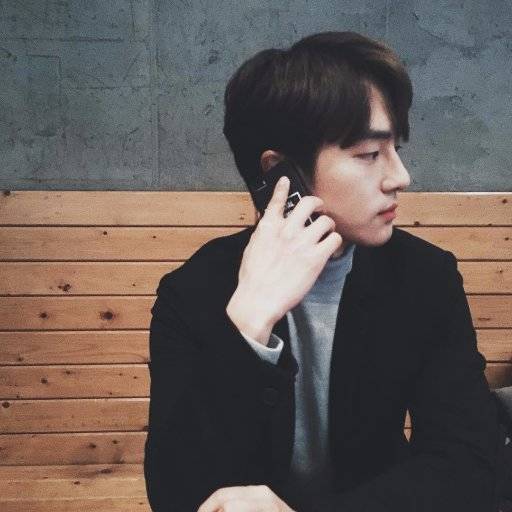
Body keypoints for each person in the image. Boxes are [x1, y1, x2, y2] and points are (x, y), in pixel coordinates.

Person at [144, 31, 501, 511]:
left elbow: (467, 465)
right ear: (281, 173)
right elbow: (175, 493)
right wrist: (247, 326)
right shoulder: (194, 291)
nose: (400, 177)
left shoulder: (425, 278)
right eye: (369, 154)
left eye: (395, 149)